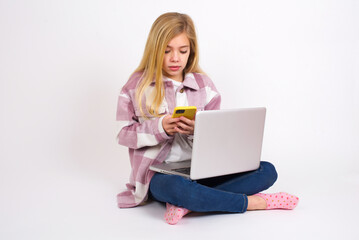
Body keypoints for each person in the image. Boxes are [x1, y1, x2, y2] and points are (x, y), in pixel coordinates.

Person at [116, 12, 299, 225]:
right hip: (158, 175)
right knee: (176, 188)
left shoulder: (205, 86)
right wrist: (160, 127)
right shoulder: (136, 86)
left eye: (182, 51)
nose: (175, 58)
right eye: (166, 51)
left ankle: (186, 204)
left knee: (267, 171)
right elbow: (123, 135)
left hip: (201, 170)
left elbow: (219, 139)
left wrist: (197, 131)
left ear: (191, 50)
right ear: (154, 50)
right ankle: (253, 203)